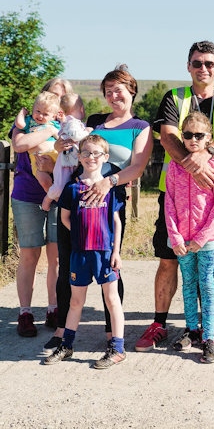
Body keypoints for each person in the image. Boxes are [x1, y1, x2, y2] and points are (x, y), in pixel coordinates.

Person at [136, 41, 214, 353]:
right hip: (176, 195)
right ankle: (159, 323)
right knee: (170, 258)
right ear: (188, 66)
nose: (203, 69)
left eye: (209, 63)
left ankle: (207, 330)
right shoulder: (175, 97)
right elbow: (168, 135)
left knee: (212, 267)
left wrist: (205, 155)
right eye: (197, 63)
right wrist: (190, 166)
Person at [44, 65, 153, 352]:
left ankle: (110, 332)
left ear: (132, 91)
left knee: (111, 269)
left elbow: (138, 167)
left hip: (108, 207)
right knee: (68, 264)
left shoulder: (140, 128)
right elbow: (68, 147)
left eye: (119, 90)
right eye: (108, 91)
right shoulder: (94, 121)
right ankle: (61, 331)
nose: (114, 96)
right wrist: (59, 145)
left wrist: (110, 181)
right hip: (76, 204)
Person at [43, 135, 126, 368]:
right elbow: (65, 217)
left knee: (112, 299)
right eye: (86, 153)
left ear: (105, 157)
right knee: (76, 301)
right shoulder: (72, 188)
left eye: (96, 153)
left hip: (105, 253)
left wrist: (116, 251)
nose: (91, 157)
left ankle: (117, 348)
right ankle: (66, 345)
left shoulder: (110, 187)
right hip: (80, 253)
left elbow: (117, 222)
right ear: (79, 157)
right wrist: (81, 233)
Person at [10, 77, 71, 338]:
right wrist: (48, 130)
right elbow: (20, 144)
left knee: (55, 256)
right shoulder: (30, 123)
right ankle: (25, 312)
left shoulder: (66, 123)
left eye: (60, 97)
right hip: (26, 193)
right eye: (50, 93)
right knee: (29, 254)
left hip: (59, 193)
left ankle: (53, 309)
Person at [165, 112, 214, 363]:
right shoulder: (174, 166)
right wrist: (175, 236)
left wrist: (202, 237)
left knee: (207, 285)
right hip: (182, 240)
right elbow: (169, 202)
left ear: (208, 137)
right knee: (188, 284)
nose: (193, 140)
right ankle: (191, 329)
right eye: (188, 135)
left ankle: (209, 336)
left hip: (207, 240)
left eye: (199, 135)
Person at [42, 93, 91, 211]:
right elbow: (75, 135)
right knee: (59, 185)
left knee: (67, 184)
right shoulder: (72, 123)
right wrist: (88, 132)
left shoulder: (74, 122)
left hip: (71, 161)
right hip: (64, 162)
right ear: (81, 109)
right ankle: (47, 200)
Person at [13, 92, 61, 195]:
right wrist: (22, 112)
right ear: (33, 108)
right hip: (37, 158)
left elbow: (61, 138)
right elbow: (20, 124)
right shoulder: (29, 121)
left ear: (53, 116)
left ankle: (62, 200)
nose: (40, 115)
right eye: (38, 111)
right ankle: (54, 198)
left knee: (62, 178)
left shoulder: (54, 124)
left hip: (54, 153)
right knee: (44, 181)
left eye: (45, 114)